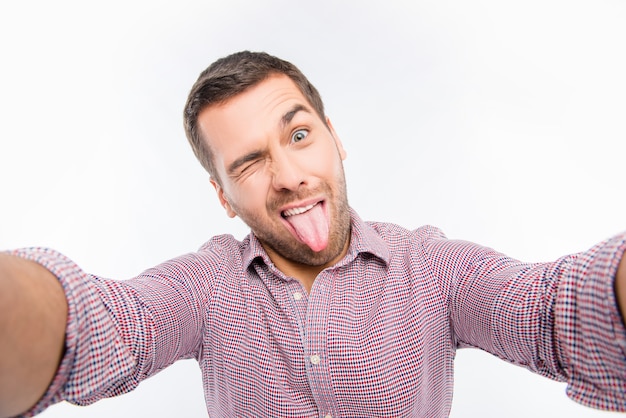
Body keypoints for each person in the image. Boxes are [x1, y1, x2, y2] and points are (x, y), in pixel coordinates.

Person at [1, 50, 625, 418]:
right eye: (249, 163)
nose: (291, 177)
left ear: (334, 136)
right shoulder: (205, 286)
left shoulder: (433, 269)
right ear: (222, 196)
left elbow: (554, 310)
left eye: (299, 136)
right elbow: (104, 326)